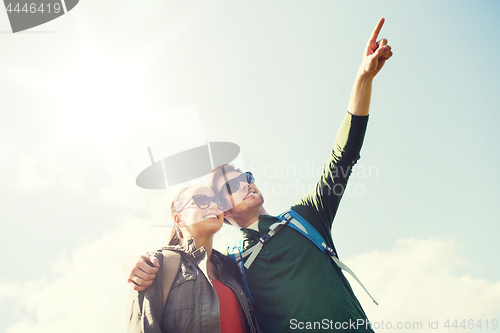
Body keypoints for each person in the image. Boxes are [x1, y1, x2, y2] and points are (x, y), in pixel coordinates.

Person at [125, 18, 393, 332]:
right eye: (232, 184)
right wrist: (133, 262)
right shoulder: (230, 266)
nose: (246, 182)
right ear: (221, 210)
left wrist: (363, 78)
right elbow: (185, 259)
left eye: (245, 175)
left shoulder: (306, 219)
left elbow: (342, 157)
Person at [127, 184, 260, 333]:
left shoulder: (232, 267)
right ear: (179, 219)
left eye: (216, 201)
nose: (213, 205)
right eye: (201, 200)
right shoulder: (156, 264)